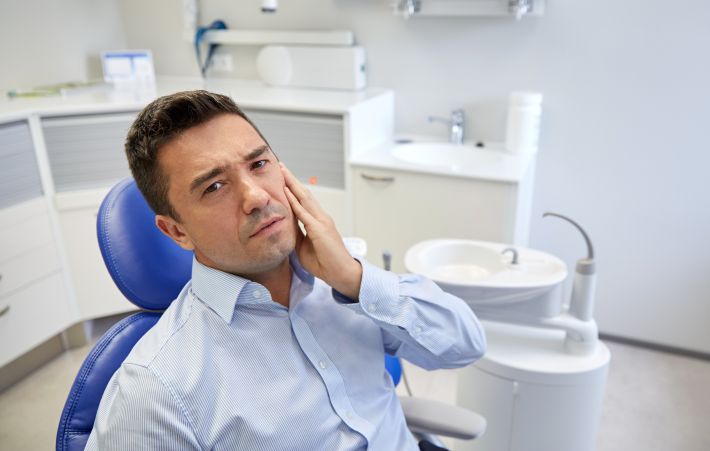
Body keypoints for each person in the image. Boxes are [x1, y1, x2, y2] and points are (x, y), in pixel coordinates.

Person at [85, 90, 486, 450]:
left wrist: (352, 278)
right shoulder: (156, 390)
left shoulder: (342, 283)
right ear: (176, 231)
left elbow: (465, 345)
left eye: (259, 164)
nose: (257, 197)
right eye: (215, 187)